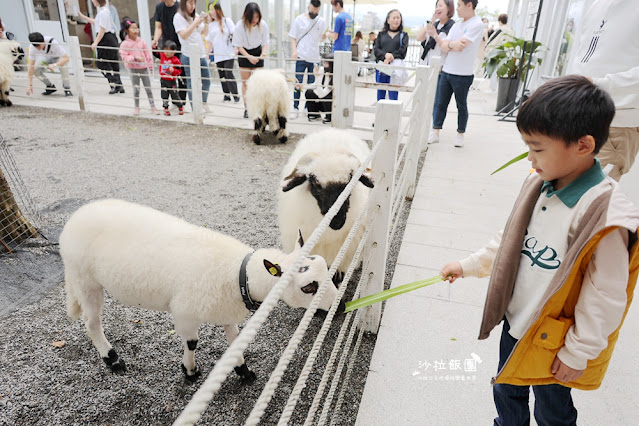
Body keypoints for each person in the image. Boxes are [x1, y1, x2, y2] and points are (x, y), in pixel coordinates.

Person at [439, 75, 639, 426]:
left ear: (583, 145)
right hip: (517, 322)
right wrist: (468, 265)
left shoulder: (604, 217)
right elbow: (510, 241)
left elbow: (605, 296)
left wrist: (578, 353)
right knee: (506, 389)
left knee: (552, 406)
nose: (530, 158)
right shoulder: (541, 184)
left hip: (555, 339)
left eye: (537, 147)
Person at [566, 0, 639, 181]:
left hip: (614, 120)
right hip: (575, 112)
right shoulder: (598, 4)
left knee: (585, 201)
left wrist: (600, 84)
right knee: (554, 196)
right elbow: (584, 54)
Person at [426, 0, 484, 148]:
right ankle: (436, 131)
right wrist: (452, 44)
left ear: (469, 5)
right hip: (447, 70)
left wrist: (450, 44)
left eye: (459, 5)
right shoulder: (457, 25)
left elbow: (461, 46)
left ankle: (460, 134)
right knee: (440, 103)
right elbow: (445, 47)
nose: (456, 8)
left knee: (461, 105)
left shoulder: (477, 24)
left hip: (463, 73)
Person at [289, 0, 326, 119]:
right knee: (297, 83)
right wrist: (294, 51)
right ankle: (295, 107)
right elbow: (293, 37)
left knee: (311, 85)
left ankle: (307, 107)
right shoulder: (299, 19)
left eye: (316, 11)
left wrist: (324, 37)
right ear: (308, 6)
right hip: (301, 56)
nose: (314, 13)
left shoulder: (321, 21)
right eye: (312, 10)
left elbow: (321, 39)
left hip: (314, 57)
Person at [173, 0, 212, 112]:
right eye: (190, 3)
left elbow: (204, 33)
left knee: (206, 80)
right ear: (184, 3)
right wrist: (195, 23)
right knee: (192, 83)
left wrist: (206, 22)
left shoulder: (195, 16)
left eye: (194, 3)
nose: (193, 6)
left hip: (201, 53)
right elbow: (184, 35)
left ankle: (203, 102)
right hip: (188, 54)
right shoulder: (178, 17)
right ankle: (196, 109)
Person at [79, 0, 124, 94]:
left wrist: (95, 42)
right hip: (110, 38)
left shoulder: (103, 12)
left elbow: (102, 29)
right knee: (112, 63)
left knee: (101, 63)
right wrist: (83, 17)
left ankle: (115, 81)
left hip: (105, 39)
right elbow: (97, 22)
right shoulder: (104, 11)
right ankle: (118, 86)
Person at [233, 2, 269, 119]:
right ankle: (247, 107)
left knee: (259, 82)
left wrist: (262, 54)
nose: (255, 20)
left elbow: (265, 42)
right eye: (252, 17)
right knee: (246, 82)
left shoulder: (262, 24)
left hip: (258, 52)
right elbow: (238, 46)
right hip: (244, 53)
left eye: (257, 17)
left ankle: (259, 107)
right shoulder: (240, 25)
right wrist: (248, 57)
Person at [119, 19, 159, 116]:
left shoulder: (142, 41)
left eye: (137, 28)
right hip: (133, 69)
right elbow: (124, 56)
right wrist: (135, 58)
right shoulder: (124, 44)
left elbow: (147, 55)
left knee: (148, 88)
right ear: (126, 31)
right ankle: (136, 107)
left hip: (144, 69)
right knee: (136, 89)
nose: (136, 30)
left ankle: (153, 106)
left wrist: (150, 67)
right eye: (133, 28)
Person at [152, 0, 186, 103]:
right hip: (166, 47)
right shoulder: (159, 7)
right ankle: (175, 101)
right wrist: (155, 39)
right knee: (167, 74)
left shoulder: (180, 6)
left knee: (181, 73)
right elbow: (158, 27)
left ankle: (182, 101)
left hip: (180, 46)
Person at [206, 3, 240, 103]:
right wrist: (207, 53)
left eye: (212, 9)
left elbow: (234, 34)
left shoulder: (226, 20)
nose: (211, 12)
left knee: (228, 72)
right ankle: (226, 96)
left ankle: (235, 95)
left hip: (229, 52)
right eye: (209, 10)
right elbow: (209, 41)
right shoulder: (211, 25)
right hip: (218, 54)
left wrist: (237, 47)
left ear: (217, 9)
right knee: (222, 75)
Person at [373, 9, 409, 102]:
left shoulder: (403, 35)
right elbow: (376, 50)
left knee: (393, 94)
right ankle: (380, 115)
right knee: (381, 93)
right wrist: (385, 55)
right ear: (388, 20)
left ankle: (393, 115)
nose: (396, 20)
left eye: (398, 17)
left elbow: (403, 51)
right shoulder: (381, 34)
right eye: (394, 17)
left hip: (395, 68)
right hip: (382, 66)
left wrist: (391, 56)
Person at [25, 32, 72, 97]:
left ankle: (67, 88)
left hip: (58, 57)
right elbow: (31, 66)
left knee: (63, 67)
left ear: (44, 41)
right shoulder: (32, 47)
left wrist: (55, 65)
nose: (38, 48)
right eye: (36, 47)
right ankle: (50, 86)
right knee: (35, 69)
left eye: (39, 46)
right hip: (46, 57)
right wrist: (30, 84)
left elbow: (66, 58)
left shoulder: (53, 43)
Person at [416, 0, 455, 66]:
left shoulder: (452, 26)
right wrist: (432, 20)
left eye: (440, 6)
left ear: (449, 8)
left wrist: (434, 35)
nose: (438, 9)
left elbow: (446, 47)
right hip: (425, 63)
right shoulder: (434, 24)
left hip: (440, 65)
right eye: (436, 6)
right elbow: (419, 38)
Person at [484, 13, 514, 89]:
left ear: (500, 21)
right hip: (506, 53)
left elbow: (493, 40)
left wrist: (487, 48)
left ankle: (493, 88)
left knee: (494, 70)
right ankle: (500, 88)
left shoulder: (501, 29)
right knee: (502, 71)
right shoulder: (511, 30)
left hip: (497, 52)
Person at [305, 55, 333, 124]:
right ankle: (314, 114)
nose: (324, 65)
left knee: (327, 96)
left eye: (326, 63)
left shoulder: (334, 76)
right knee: (309, 92)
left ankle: (329, 117)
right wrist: (303, 86)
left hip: (330, 103)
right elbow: (315, 85)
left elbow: (322, 94)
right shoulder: (322, 70)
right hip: (322, 100)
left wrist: (317, 77)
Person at [159, 40, 184, 116]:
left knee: (175, 95)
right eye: (165, 50)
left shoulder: (175, 60)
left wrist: (174, 71)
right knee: (164, 95)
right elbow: (155, 52)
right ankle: (166, 108)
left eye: (169, 51)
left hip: (172, 81)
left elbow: (179, 71)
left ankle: (180, 106)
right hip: (163, 80)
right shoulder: (162, 55)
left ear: (174, 51)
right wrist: (154, 45)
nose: (166, 52)